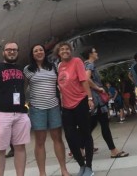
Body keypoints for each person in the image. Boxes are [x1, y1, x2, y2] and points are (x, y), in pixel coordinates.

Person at [0, 42, 31, 176]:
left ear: (18, 52)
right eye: (9, 50)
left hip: (20, 113)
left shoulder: (21, 69)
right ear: (3, 52)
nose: (12, 52)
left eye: (14, 50)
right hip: (1, 114)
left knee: (20, 147)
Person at [23, 44, 70, 176]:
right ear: (32, 54)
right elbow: (23, 87)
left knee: (58, 139)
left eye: (41, 50)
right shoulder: (28, 69)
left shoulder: (53, 67)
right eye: (35, 51)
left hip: (54, 106)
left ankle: (63, 169)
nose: (39, 52)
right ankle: (42, 173)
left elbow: (61, 83)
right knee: (40, 141)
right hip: (37, 109)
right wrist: (26, 103)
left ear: (45, 52)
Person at [54, 42, 95, 176]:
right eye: (62, 49)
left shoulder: (77, 61)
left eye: (67, 49)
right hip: (66, 106)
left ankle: (89, 167)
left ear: (70, 51)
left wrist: (89, 99)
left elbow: (84, 81)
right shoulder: (59, 66)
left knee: (86, 134)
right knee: (70, 137)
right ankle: (81, 165)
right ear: (58, 53)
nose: (65, 51)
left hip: (80, 102)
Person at [82, 47, 129, 159]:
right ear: (90, 54)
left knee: (90, 126)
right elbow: (86, 79)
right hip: (97, 100)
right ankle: (113, 151)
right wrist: (98, 88)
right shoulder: (90, 65)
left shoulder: (84, 65)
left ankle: (78, 148)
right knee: (103, 126)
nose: (97, 53)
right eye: (95, 51)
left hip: (94, 100)